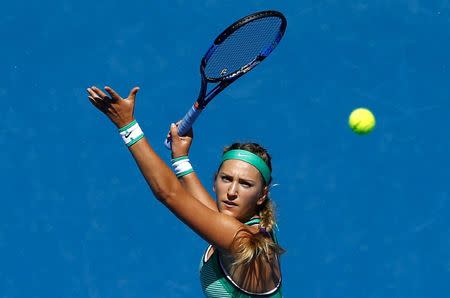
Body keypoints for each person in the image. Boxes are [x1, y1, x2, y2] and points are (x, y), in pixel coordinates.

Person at [87, 85, 284, 297]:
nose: (232, 191)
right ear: (215, 181)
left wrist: (127, 126)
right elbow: (211, 216)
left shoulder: (240, 240)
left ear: (262, 195)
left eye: (245, 184)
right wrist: (180, 159)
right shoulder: (248, 228)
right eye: (226, 179)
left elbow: (169, 194)